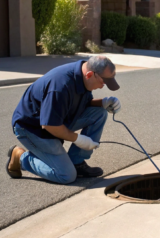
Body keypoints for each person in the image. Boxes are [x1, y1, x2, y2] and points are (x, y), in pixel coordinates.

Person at [6, 56, 121, 184]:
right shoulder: (60, 87)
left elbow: (82, 103)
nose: (103, 86)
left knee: (99, 113)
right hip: (32, 129)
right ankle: (20, 157)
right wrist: (79, 139)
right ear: (90, 75)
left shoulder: (83, 76)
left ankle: (76, 162)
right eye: (103, 82)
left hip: (57, 120)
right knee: (66, 175)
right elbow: (50, 125)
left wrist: (104, 102)